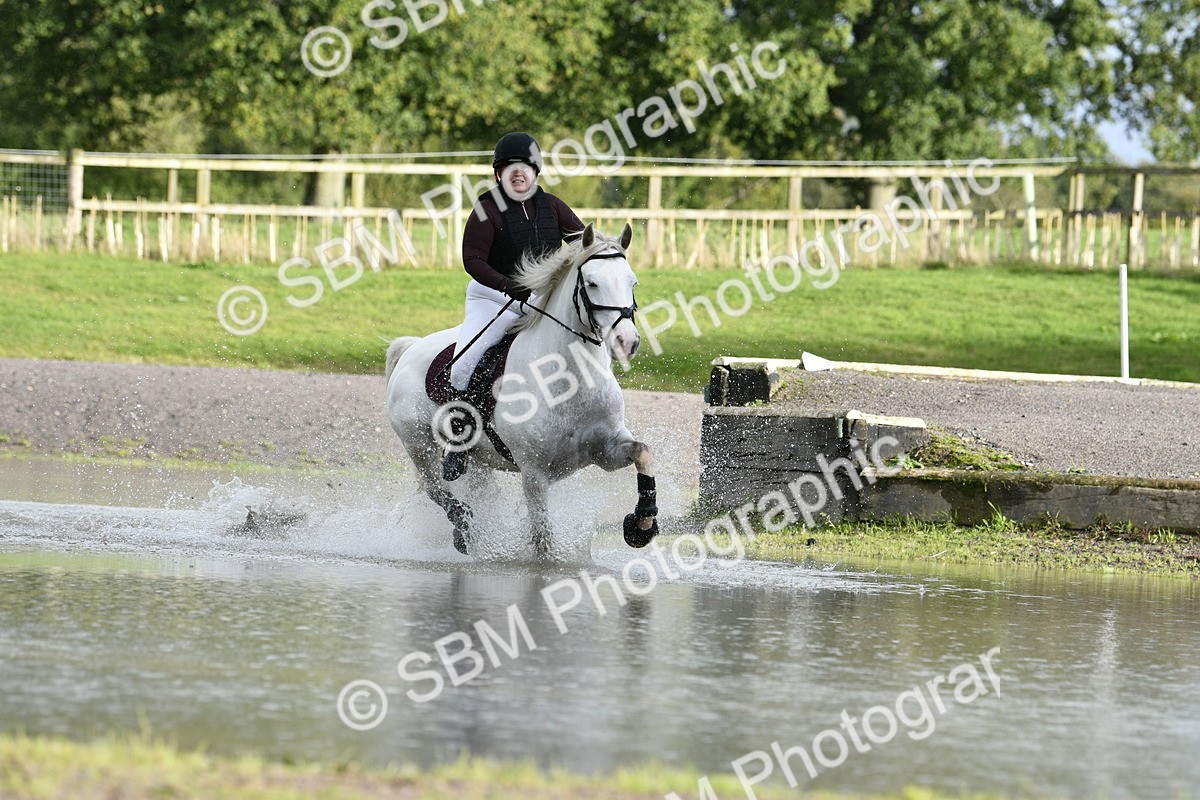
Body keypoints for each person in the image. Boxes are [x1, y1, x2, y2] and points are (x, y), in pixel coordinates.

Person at [443, 131, 584, 481]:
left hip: (538, 301)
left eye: (525, 167)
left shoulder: (554, 207)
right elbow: (472, 260)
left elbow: (585, 243)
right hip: (493, 298)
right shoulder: (486, 209)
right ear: (498, 174)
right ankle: (458, 440)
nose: (517, 173)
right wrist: (507, 285)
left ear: (536, 171)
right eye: (509, 167)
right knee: (463, 367)